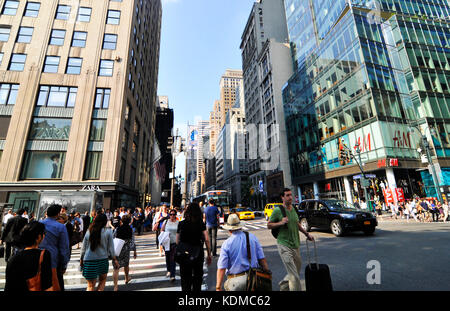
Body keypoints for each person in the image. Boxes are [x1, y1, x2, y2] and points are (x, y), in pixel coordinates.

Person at [267, 188, 314, 291]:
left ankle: (283, 287)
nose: (290, 197)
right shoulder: (278, 210)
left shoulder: (293, 208)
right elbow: (269, 225)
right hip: (284, 245)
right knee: (294, 276)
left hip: (295, 244)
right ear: (282, 197)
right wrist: (281, 223)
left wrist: (307, 234)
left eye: (291, 195)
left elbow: (297, 224)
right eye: (287, 195)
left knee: (294, 272)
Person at [216, 214, 269, 291]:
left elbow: (221, 268)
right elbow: (262, 259)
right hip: (253, 279)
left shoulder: (227, 244)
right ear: (240, 226)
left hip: (235, 281)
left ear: (229, 230)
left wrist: (218, 287)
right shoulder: (252, 237)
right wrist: (267, 273)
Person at [4, 221, 53, 291]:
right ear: (39, 237)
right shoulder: (44, 255)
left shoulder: (13, 259)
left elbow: (9, 285)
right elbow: (47, 285)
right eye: (43, 233)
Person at [176, 203, 212, 291]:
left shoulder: (181, 224)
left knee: (185, 279)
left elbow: (177, 240)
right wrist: (209, 254)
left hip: (184, 254)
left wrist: (180, 249)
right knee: (197, 278)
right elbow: (207, 239)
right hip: (198, 253)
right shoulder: (201, 223)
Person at [80, 213, 119, 291]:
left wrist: (81, 259)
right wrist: (114, 259)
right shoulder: (108, 231)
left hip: (89, 260)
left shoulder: (89, 231)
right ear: (105, 221)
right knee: (102, 281)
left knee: (90, 285)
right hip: (103, 260)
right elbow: (111, 247)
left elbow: (83, 248)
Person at [39, 204, 70, 291]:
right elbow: (64, 248)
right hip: (53, 261)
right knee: (56, 284)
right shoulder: (61, 227)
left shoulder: (38, 224)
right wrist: (64, 265)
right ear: (57, 214)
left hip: (37, 259)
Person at [112, 214, 137, 291]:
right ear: (129, 221)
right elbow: (132, 241)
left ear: (121, 221)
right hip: (126, 249)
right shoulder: (130, 229)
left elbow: (113, 237)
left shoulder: (117, 229)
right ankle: (126, 278)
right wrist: (134, 251)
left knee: (116, 268)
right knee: (126, 264)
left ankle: (115, 286)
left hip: (117, 249)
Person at [161, 209, 179, 282]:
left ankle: (172, 275)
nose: (172, 216)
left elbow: (180, 232)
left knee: (173, 259)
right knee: (168, 257)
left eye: (173, 214)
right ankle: (169, 269)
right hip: (167, 243)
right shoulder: (166, 222)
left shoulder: (178, 222)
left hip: (175, 243)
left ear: (175, 215)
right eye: (171, 214)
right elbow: (162, 230)